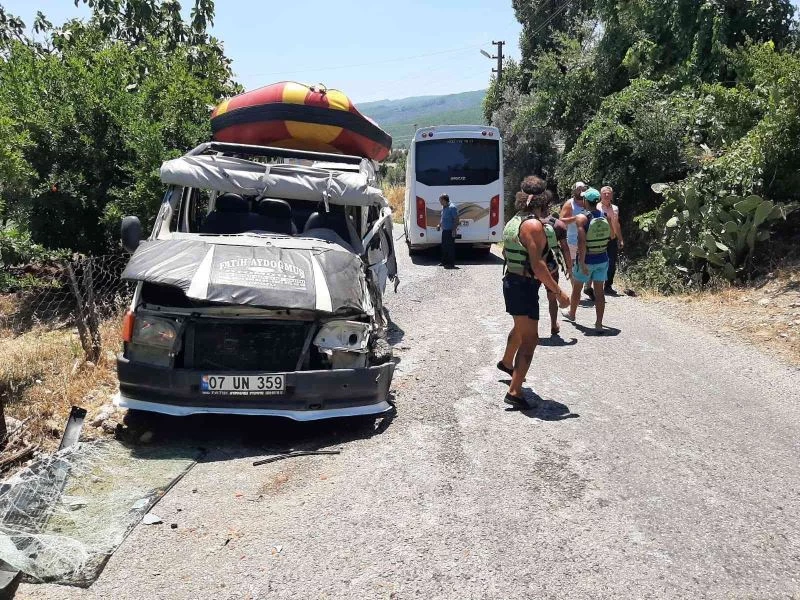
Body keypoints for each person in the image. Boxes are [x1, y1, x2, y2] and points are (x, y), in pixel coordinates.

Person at [498, 178, 571, 408]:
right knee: (531, 339)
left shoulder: (514, 220)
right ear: (544, 200)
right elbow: (538, 265)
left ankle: (507, 363)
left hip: (512, 281)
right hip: (523, 286)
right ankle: (515, 391)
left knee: (520, 329)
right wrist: (559, 292)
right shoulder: (533, 226)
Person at [520, 176, 573, 335]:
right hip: (551, 266)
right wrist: (569, 268)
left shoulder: (527, 222)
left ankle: (528, 327)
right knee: (552, 297)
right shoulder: (557, 224)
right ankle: (553, 324)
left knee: (531, 296)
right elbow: (565, 248)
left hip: (532, 266)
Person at [563, 187, 612, 333]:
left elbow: (581, 243)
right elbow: (611, 235)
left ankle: (572, 314)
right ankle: (598, 323)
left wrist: (583, 262)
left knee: (577, 288)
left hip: (587, 259)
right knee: (599, 292)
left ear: (586, 201)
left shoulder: (582, 218)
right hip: (602, 258)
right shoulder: (605, 216)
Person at [597, 185, 623, 295]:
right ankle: (596, 285)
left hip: (612, 239)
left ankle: (608, 286)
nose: (607, 195)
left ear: (612, 195)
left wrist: (620, 239)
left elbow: (617, 224)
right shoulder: (596, 207)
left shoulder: (615, 208)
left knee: (611, 263)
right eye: (604, 193)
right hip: (599, 239)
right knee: (599, 262)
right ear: (600, 195)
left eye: (609, 193)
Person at [559, 181, 590, 265]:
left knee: (586, 266)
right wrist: (575, 218)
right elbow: (561, 221)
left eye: (583, 189)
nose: (580, 191)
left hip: (587, 241)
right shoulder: (570, 203)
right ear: (574, 191)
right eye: (578, 189)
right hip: (573, 240)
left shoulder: (588, 202)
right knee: (573, 266)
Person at [436, 194, 458, 268]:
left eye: (441, 201)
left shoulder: (452, 207)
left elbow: (456, 219)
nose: (440, 202)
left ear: (444, 200)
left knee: (450, 248)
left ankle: (451, 264)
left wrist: (454, 230)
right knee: (444, 247)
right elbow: (442, 218)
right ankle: (444, 262)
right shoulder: (444, 207)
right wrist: (439, 225)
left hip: (450, 231)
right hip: (444, 231)